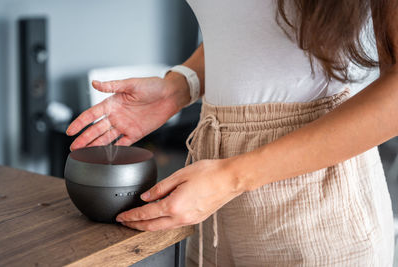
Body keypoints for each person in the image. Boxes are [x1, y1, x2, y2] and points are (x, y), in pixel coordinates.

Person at [66, 0, 397, 266]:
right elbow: (244, 28)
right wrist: (180, 86)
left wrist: (232, 177)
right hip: (213, 193)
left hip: (315, 200)